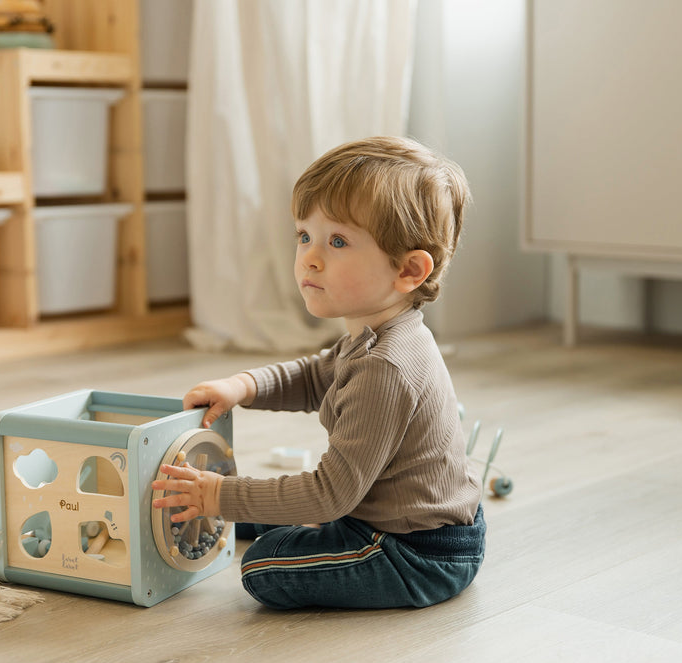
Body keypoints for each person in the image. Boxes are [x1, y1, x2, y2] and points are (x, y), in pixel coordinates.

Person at [152, 136, 485, 609]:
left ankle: (285, 523)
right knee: (246, 512)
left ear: (408, 270)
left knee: (263, 565)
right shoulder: (377, 333)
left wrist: (218, 496)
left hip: (413, 551)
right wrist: (242, 387)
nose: (309, 256)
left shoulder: (386, 366)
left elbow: (329, 494)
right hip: (394, 518)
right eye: (304, 235)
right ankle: (273, 514)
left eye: (338, 241)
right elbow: (315, 375)